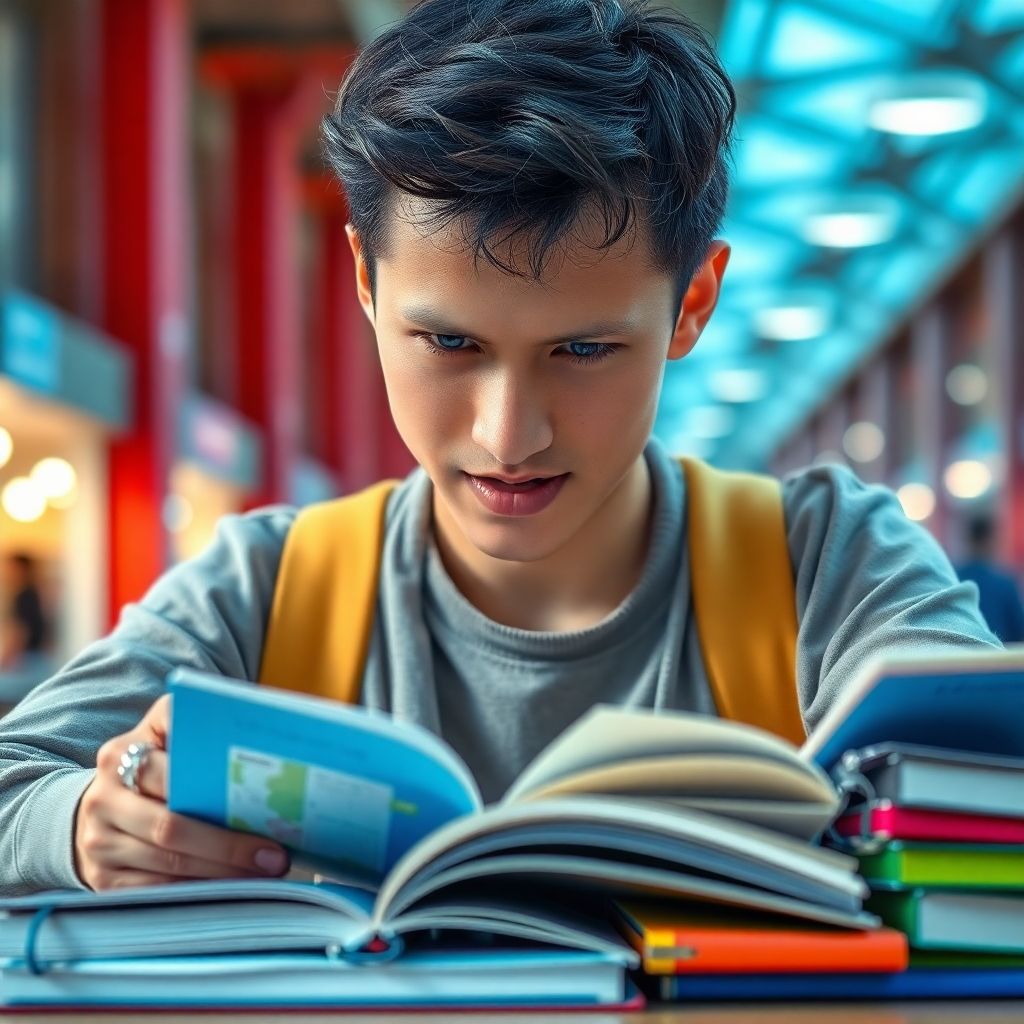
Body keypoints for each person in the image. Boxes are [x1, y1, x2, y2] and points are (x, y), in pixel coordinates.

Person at [0, 0, 998, 898]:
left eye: (582, 350)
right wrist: (85, 822)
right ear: (367, 281)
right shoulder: (266, 589)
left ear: (692, 301)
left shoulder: (826, 568)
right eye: (449, 344)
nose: (508, 435)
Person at [954, 514, 1024, 644]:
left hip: (958, 654)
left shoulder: (953, 579)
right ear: (989, 540)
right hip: (999, 654)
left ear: (969, 539)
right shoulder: (1005, 585)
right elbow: (1019, 633)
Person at [0, 553, 53, 715]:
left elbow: (21, 630)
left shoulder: (23, 595)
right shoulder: (34, 593)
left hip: (27, 659)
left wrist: (6, 659)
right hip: (36, 658)